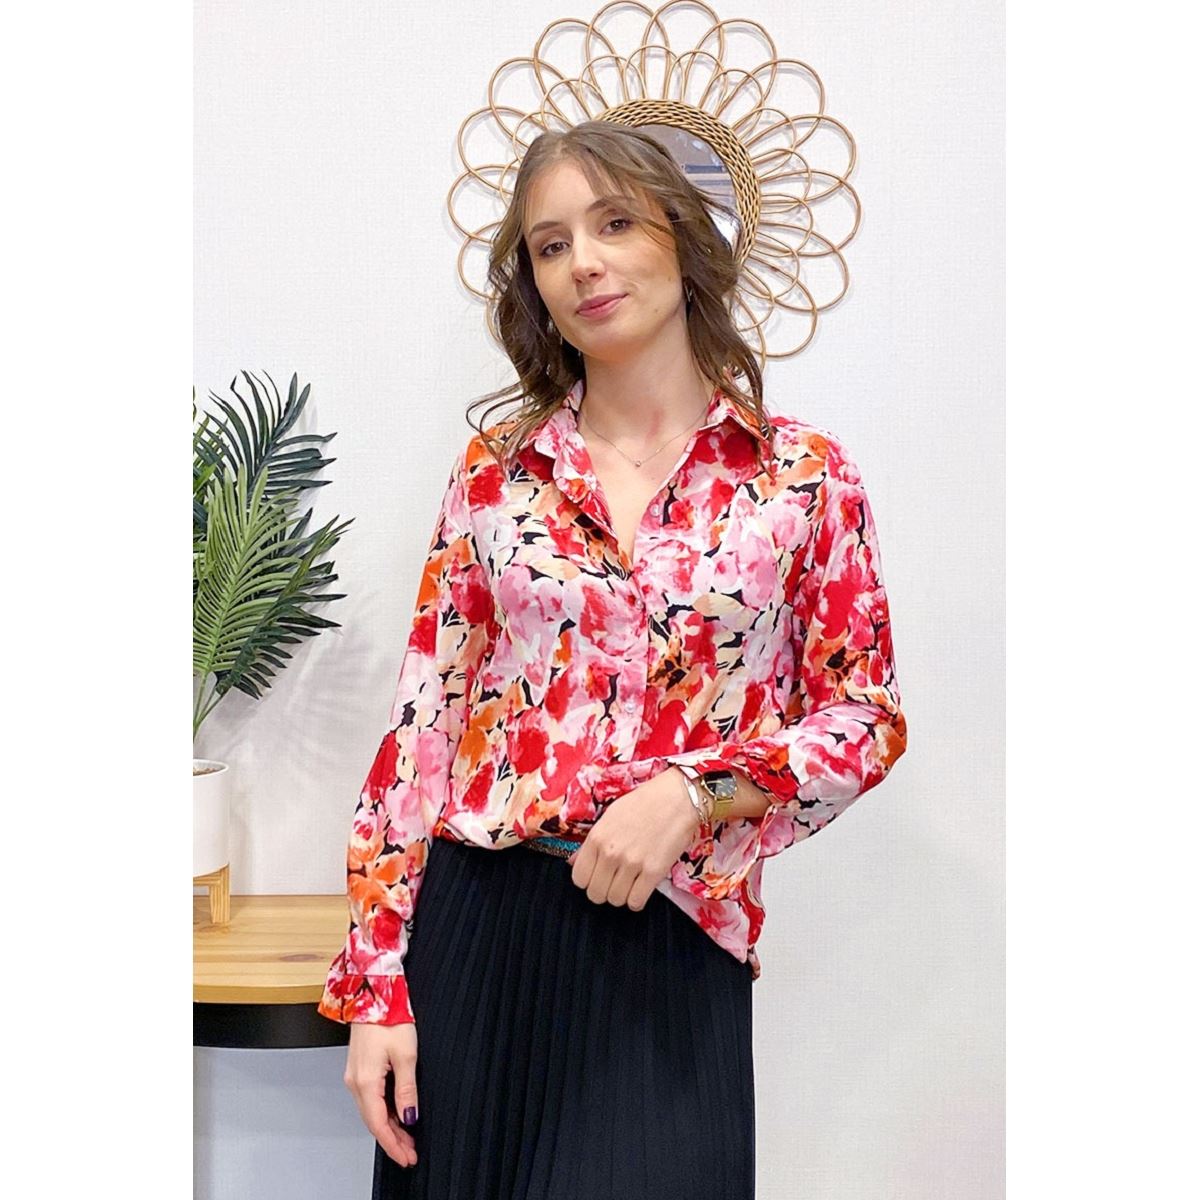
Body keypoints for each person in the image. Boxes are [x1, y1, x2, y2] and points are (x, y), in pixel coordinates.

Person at [318, 120, 908, 1200]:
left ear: (682, 238)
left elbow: (866, 717)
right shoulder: (496, 475)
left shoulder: (803, 478)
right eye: (550, 245)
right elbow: (422, 729)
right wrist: (378, 987)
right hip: (479, 935)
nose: (582, 262)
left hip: (671, 947)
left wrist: (694, 792)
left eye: (615, 223)